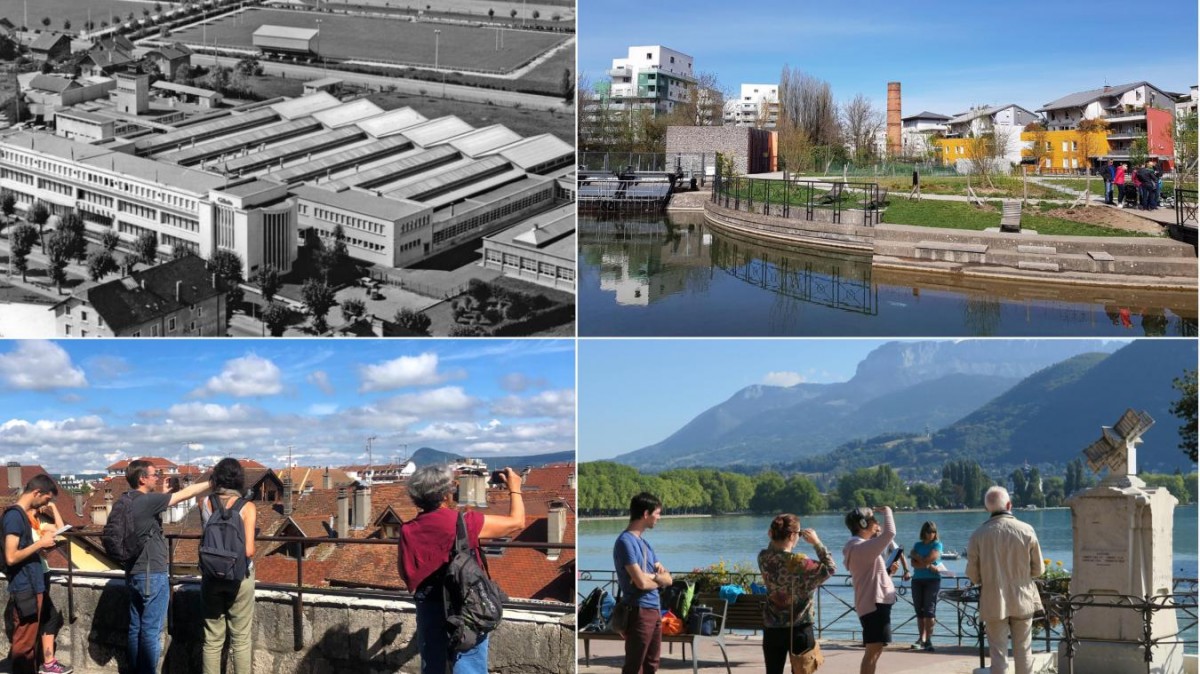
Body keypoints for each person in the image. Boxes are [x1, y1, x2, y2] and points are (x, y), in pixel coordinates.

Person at [397, 465, 525, 674]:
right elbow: (516, 522)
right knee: (468, 665)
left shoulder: (407, 529)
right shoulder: (465, 522)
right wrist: (515, 488)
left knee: (433, 666)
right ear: (447, 493)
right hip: (465, 604)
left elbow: (405, 573)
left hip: (429, 604)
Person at [125, 460, 210, 674]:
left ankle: (136, 670)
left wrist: (161, 494)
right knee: (151, 632)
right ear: (142, 478)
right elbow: (187, 493)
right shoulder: (147, 501)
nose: (157, 477)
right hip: (151, 573)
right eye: (154, 474)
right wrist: (213, 481)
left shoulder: (127, 500)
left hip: (134, 572)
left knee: (136, 627)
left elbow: (147, 523)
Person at [967, 486, 1045, 674]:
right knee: (1024, 650)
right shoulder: (1027, 530)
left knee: (998, 653)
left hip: (993, 599)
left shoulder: (978, 535)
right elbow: (1039, 569)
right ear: (1009, 505)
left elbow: (973, 575)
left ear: (987, 508)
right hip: (1022, 596)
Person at [757, 514, 835, 674]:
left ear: (772, 533)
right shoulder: (800, 562)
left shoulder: (763, 557)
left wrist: (775, 535)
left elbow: (773, 549)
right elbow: (830, 568)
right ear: (792, 535)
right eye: (799, 534)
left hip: (772, 628)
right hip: (799, 628)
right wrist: (816, 543)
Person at [199, 459, 257, 674]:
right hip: (239, 577)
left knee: (212, 639)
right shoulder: (247, 507)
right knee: (240, 640)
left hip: (211, 575)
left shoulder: (204, 503)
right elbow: (249, 550)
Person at [3, 475, 59, 674]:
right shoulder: (14, 516)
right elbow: (11, 556)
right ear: (37, 493)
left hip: (33, 585)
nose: (46, 504)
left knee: (29, 641)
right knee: (24, 644)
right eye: (46, 499)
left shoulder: (20, 516)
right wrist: (40, 544)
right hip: (25, 587)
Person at [613, 492, 672, 674]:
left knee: (652, 664)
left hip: (654, 610)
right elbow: (641, 583)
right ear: (646, 514)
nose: (659, 518)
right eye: (657, 513)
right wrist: (655, 579)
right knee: (635, 665)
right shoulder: (625, 542)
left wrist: (652, 577)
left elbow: (668, 579)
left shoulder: (645, 545)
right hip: (638, 611)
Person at [842, 506, 897, 674]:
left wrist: (889, 574)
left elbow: (871, 576)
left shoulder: (859, 547)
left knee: (875, 649)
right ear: (863, 523)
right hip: (874, 605)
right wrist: (888, 511)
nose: (877, 524)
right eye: (874, 520)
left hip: (872, 602)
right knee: (873, 651)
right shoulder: (859, 547)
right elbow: (890, 534)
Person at [27, 501, 71, 673]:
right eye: (38, 508)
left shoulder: (38, 524)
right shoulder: (26, 526)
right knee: (48, 616)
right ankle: (45, 662)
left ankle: (46, 662)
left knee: (46, 617)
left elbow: (62, 529)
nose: (39, 511)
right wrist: (41, 546)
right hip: (34, 575)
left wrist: (53, 507)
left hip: (44, 572)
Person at [909, 521, 943, 652]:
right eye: (929, 531)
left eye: (933, 531)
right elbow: (913, 564)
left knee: (929, 610)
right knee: (919, 611)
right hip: (917, 580)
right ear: (923, 532)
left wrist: (918, 556)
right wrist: (928, 565)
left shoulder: (937, 544)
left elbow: (931, 557)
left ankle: (928, 639)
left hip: (932, 580)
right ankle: (921, 638)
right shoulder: (917, 545)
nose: (931, 534)